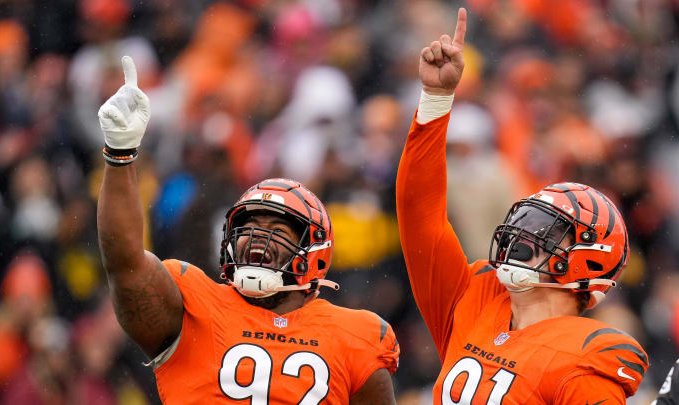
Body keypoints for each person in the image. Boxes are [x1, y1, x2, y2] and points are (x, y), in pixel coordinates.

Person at [96, 56, 399, 404]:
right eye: (249, 226)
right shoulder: (193, 304)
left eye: (278, 229)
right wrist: (120, 153)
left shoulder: (356, 335)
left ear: (315, 251)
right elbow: (124, 261)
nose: (257, 237)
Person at [396, 8, 648, 404]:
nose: (524, 236)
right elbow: (419, 216)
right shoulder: (475, 298)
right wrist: (436, 100)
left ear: (589, 261)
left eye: (548, 232)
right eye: (528, 221)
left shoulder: (588, 354)